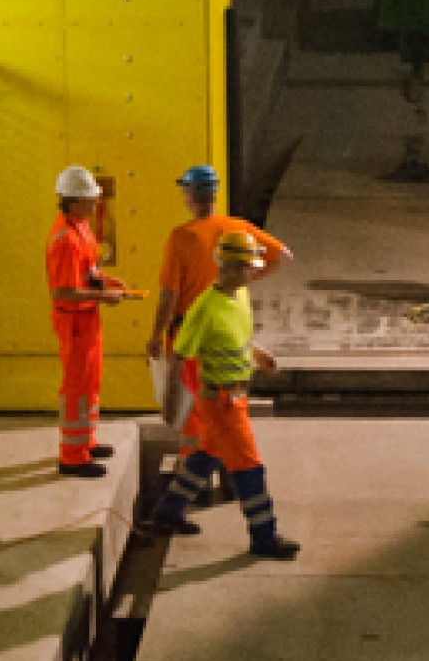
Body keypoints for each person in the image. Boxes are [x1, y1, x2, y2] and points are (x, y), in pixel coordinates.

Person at [143, 231, 300, 559]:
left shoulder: (237, 295)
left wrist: (259, 355)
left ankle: (167, 513)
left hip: (233, 396)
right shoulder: (204, 308)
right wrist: (170, 405)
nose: (255, 272)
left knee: (205, 457)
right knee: (249, 467)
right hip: (221, 402)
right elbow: (179, 357)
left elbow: (238, 336)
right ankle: (264, 535)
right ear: (228, 267)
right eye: (249, 267)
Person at [146, 164, 291, 459]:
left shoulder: (181, 237)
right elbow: (283, 256)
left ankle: (193, 473)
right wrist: (245, 278)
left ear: (189, 195)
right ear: (214, 194)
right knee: (228, 407)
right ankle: (226, 468)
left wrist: (155, 335)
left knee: (193, 411)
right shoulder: (237, 228)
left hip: (190, 330)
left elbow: (169, 296)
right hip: (225, 332)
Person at [47, 165, 125, 478]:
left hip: (87, 318)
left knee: (91, 381)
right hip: (74, 321)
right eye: (91, 200)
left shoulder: (81, 229)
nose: (95, 205)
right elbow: (62, 290)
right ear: (74, 201)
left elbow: (86, 275)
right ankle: (72, 457)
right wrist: (105, 297)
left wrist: (107, 282)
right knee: (77, 388)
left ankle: (86, 442)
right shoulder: (66, 238)